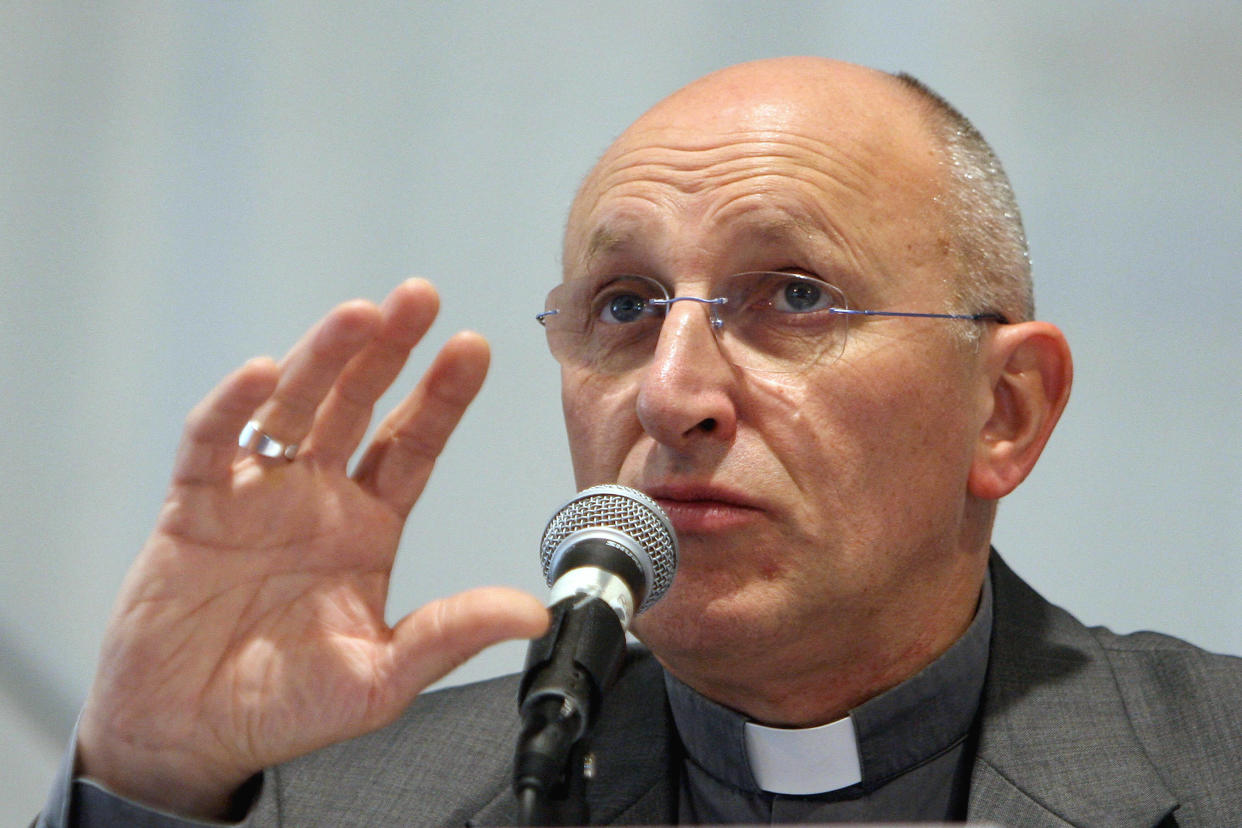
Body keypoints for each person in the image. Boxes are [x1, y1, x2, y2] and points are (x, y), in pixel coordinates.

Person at [37, 57, 1241, 826]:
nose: (674, 395)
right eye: (624, 307)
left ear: (1006, 410)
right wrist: (144, 781)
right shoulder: (334, 804)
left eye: (796, 296)